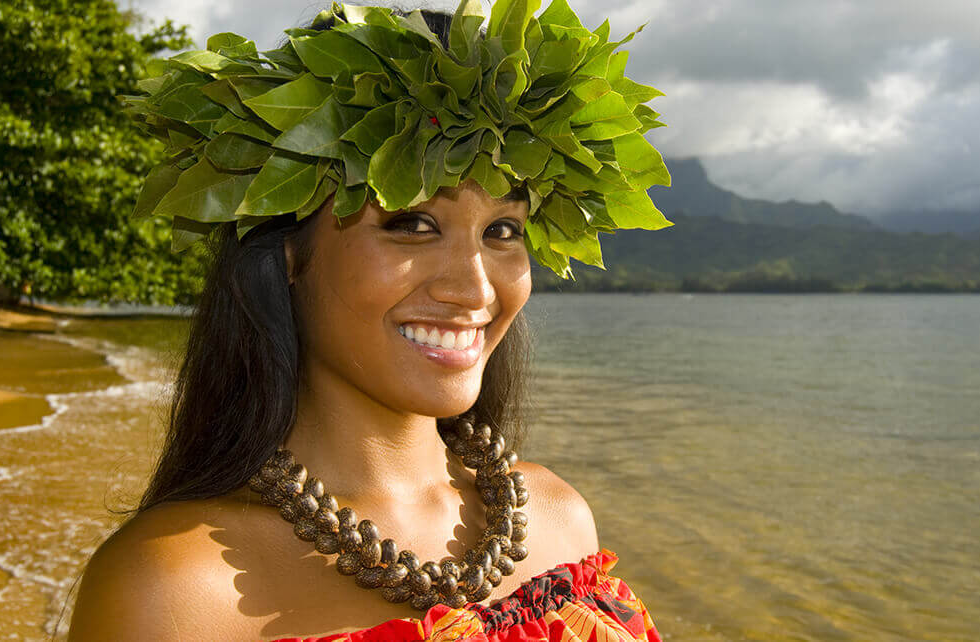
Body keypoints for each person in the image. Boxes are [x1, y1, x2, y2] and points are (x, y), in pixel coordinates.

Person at [69, 1, 670, 639]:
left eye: (502, 229)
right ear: (289, 249)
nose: (472, 287)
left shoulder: (563, 523)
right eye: (412, 224)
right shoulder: (172, 587)